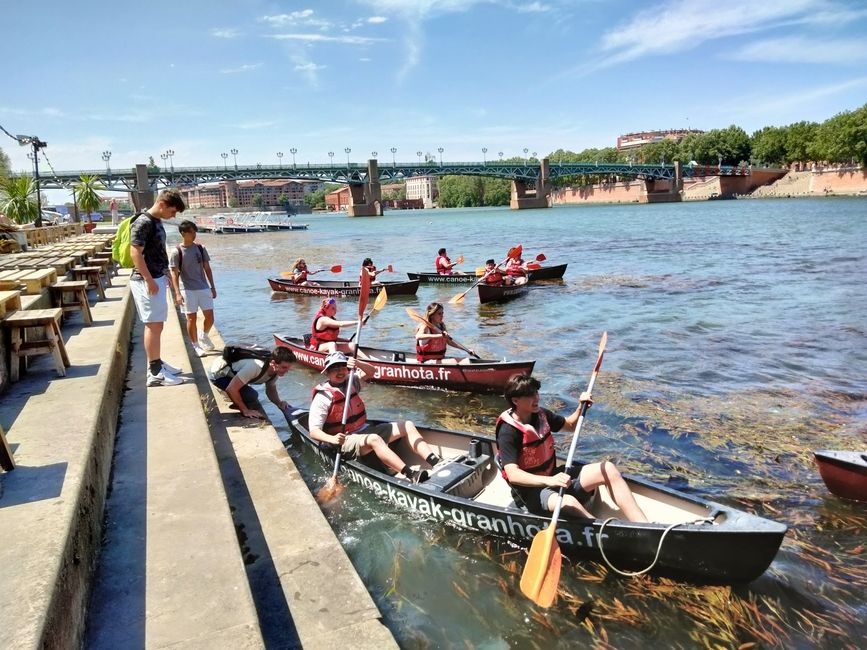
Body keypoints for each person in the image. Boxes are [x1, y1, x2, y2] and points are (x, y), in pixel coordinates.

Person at [495, 374, 649, 522]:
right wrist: (549, 480)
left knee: (607, 469)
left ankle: (645, 525)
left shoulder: (541, 415)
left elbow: (570, 425)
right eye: (529, 395)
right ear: (515, 400)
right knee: (568, 502)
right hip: (530, 493)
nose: (536, 398)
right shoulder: (508, 431)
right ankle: (602, 532)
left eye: (536, 392)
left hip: (554, 477)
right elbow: (513, 474)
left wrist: (581, 407)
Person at [309, 351, 442, 483]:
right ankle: (411, 475)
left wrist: (358, 363)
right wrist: (332, 439)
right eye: (334, 368)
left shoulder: (352, 382)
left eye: (343, 367)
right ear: (327, 372)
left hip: (363, 429)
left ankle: (435, 461)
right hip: (344, 440)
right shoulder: (322, 397)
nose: (340, 371)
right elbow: (314, 431)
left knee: (407, 425)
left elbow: (372, 372)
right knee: (374, 439)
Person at [129, 188, 187, 387]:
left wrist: (163, 274)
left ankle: (157, 362)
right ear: (162, 205)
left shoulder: (155, 221)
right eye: (173, 211)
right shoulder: (144, 222)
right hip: (146, 281)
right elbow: (135, 252)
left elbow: (157, 251)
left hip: (156, 277)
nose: (174, 215)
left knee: (158, 324)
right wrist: (149, 280)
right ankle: (155, 373)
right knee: (153, 325)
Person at [169, 220, 217, 357]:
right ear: (183, 233)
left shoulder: (201, 248)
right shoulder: (176, 251)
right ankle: (196, 345)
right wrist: (177, 293)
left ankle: (203, 335)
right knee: (191, 318)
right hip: (187, 289)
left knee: (210, 317)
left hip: (203, 286)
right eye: (191, 232)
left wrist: (212, 287)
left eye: (195, 231)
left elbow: (207, 269)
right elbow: (174, 273)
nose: (194, 234)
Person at [208, 346, 296, 419]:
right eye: (284, 367)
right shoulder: (255, 367)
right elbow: (231, 389)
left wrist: (279, 403)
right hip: (218, 374)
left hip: (232, 373)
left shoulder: (275, 371)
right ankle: (226, 394)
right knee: (251, 396)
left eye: (288, 368)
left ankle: (235, 389)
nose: (286, 371)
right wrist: (245, 411)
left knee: (249, 395)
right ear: (273, 363)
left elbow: (270, 389)